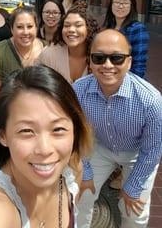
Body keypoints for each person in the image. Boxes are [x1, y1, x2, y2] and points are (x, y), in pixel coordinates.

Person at [0, 65, 93, 228]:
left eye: (58, 129)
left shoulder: (72, 170)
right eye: (26, 131)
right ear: (3, 136)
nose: (45, 149)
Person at [73, 29, 162, 228]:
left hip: (138, 153)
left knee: (134, 210)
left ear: (129, 62)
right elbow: (77, 134)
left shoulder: (151, 100)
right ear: (90, 60)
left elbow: (153, 149)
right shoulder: (78, 90)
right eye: (99, 57)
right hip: (99, 146)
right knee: (80, 197)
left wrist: (133, 186)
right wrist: (85, 173)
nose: (107, 65)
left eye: (117, 58)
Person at [0, 7, 44, 101]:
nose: (25, 32)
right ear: (12, 29)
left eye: (30, 26)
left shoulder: (46, 50)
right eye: (19, 27)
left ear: (36, 28)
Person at [38, 7, 99, 83]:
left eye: (78, 25)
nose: (71, 30)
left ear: (89, 28)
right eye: (67, 25)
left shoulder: (99, 58)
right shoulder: (48, 55)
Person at [103, 0, 149, 78]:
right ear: (111, 5)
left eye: (125, 3)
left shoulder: (137, 29)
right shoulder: (108, 28)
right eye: (117, 2)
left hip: (127, 80)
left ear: (131, 6)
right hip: (107, 77)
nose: (120, 6)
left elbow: (139, 66)